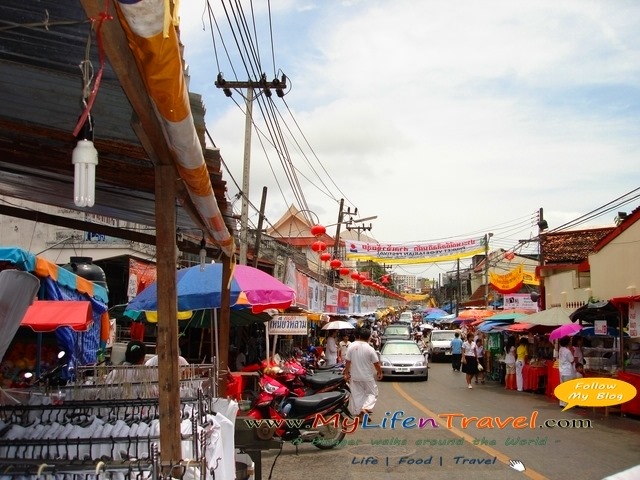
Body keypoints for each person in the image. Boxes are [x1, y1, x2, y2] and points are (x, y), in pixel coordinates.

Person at [343, 327, 383, 418]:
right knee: (373, 393)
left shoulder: (351, 346)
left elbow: (348, 361)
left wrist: (346, 373)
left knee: (357, 394)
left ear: (359, 336)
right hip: (367, 376)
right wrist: (379, 373)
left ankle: (359, 413)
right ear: (369, 337)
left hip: (355, 376)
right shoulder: (370, 349)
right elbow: (376, 363)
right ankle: (365, 408)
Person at [558, 336, 576, 407]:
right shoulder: (568, 351)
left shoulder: (561, 349)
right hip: (567, 371)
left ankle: (562, 402)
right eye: (570, 341)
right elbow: (572, 360)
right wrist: (572, 352)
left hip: (562, 370)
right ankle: (566, 402)